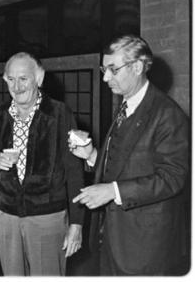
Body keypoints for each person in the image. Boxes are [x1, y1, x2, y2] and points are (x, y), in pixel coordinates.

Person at [68, 35, 189, 275]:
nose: (105, 78)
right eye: (104, 69)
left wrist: (113, 191)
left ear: (137, 67)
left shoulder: (167, 114)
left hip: (144, 246)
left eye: (113, 70)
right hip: (112, 238)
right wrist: (91, 154)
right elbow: (123, 163)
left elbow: (173, 177)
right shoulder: (126, 104)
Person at [0, 52, 85, 276]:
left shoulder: (59, 113)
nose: (16, 87)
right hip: (6, 215)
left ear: (39, 78)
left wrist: (77, 223)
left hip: (47, 217)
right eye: (11, 79)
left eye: (23, 79)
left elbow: (74, 171)